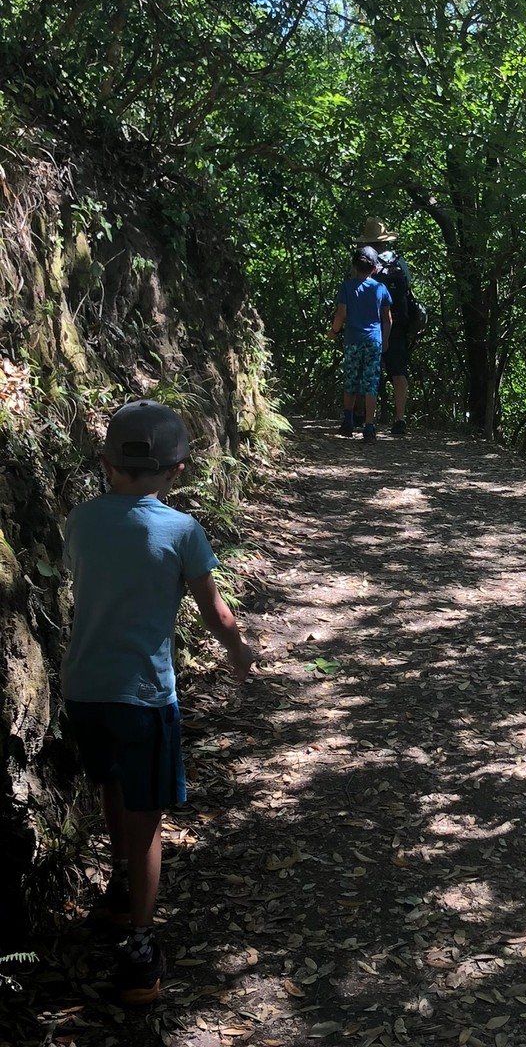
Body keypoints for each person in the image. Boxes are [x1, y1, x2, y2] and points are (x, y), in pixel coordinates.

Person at [61, 400, 256, 1006]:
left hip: (84, 689)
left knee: (110, 787)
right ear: (178, 471)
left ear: (106, 464)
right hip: (144, 696)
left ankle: (119, 891)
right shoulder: (182, 532)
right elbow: (215, 613)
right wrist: (240, 653)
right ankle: (141, 950)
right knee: (149, 821)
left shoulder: (81, 522)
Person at [354, 215, 414, 436]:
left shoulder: (363, 261)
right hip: (397, 323)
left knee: (366, 370)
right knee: (398, 371)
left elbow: (354, 289)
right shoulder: (399, 262)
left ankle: (362, 415)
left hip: (369, 324)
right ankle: (400, 418)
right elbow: (407, 290)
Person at [331, 244, 393, 443]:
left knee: (351, 380)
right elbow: (388, 318)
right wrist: (385, 341)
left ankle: (348, 422)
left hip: (352, 340)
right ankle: (368, 427)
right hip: (373, 341)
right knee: (370, 384)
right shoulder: (380, 288)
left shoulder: (347, 287)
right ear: (375, 268)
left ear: (354, 266)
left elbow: (341, 314)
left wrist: (334, 332)